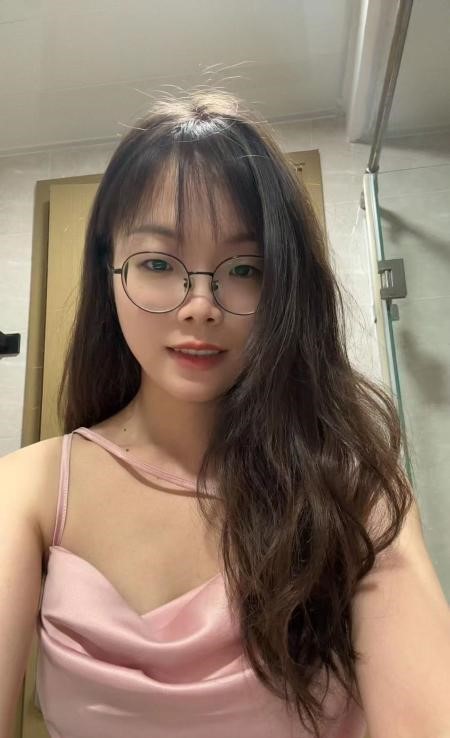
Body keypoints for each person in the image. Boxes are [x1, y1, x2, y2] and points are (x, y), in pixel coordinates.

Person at [1, 88, 449, 738]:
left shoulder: (356, 493)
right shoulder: (27, 491)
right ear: (109, 272)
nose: (200, 306)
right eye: (159, 263)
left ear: (285, 287)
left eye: (243, 268)